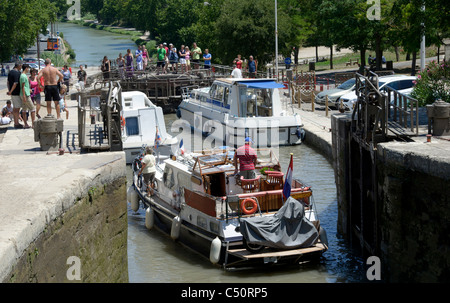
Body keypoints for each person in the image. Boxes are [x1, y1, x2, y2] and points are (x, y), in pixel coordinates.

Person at [6, 62, 23, 128]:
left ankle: (16, 122)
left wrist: (9, 90)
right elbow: (15, 83)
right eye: (21, 65)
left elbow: (8, 82)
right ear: (19, 66)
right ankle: (16, 123)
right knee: (16, 109)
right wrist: (11, 91)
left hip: (13, 93)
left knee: (16, 108)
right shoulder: (17, 73)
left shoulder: (10, 72)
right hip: (16, 93)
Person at [19, 64, 36, 128]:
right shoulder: (23, 76)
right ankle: (33, 124)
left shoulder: (23, 75)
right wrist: (24, 95)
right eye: (28, 68)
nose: (28, 69)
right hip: (25, 95)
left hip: (24, 94)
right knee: (32, 109)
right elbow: (23, 86)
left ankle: (26, 124)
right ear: (26, 68)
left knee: (24, 109)